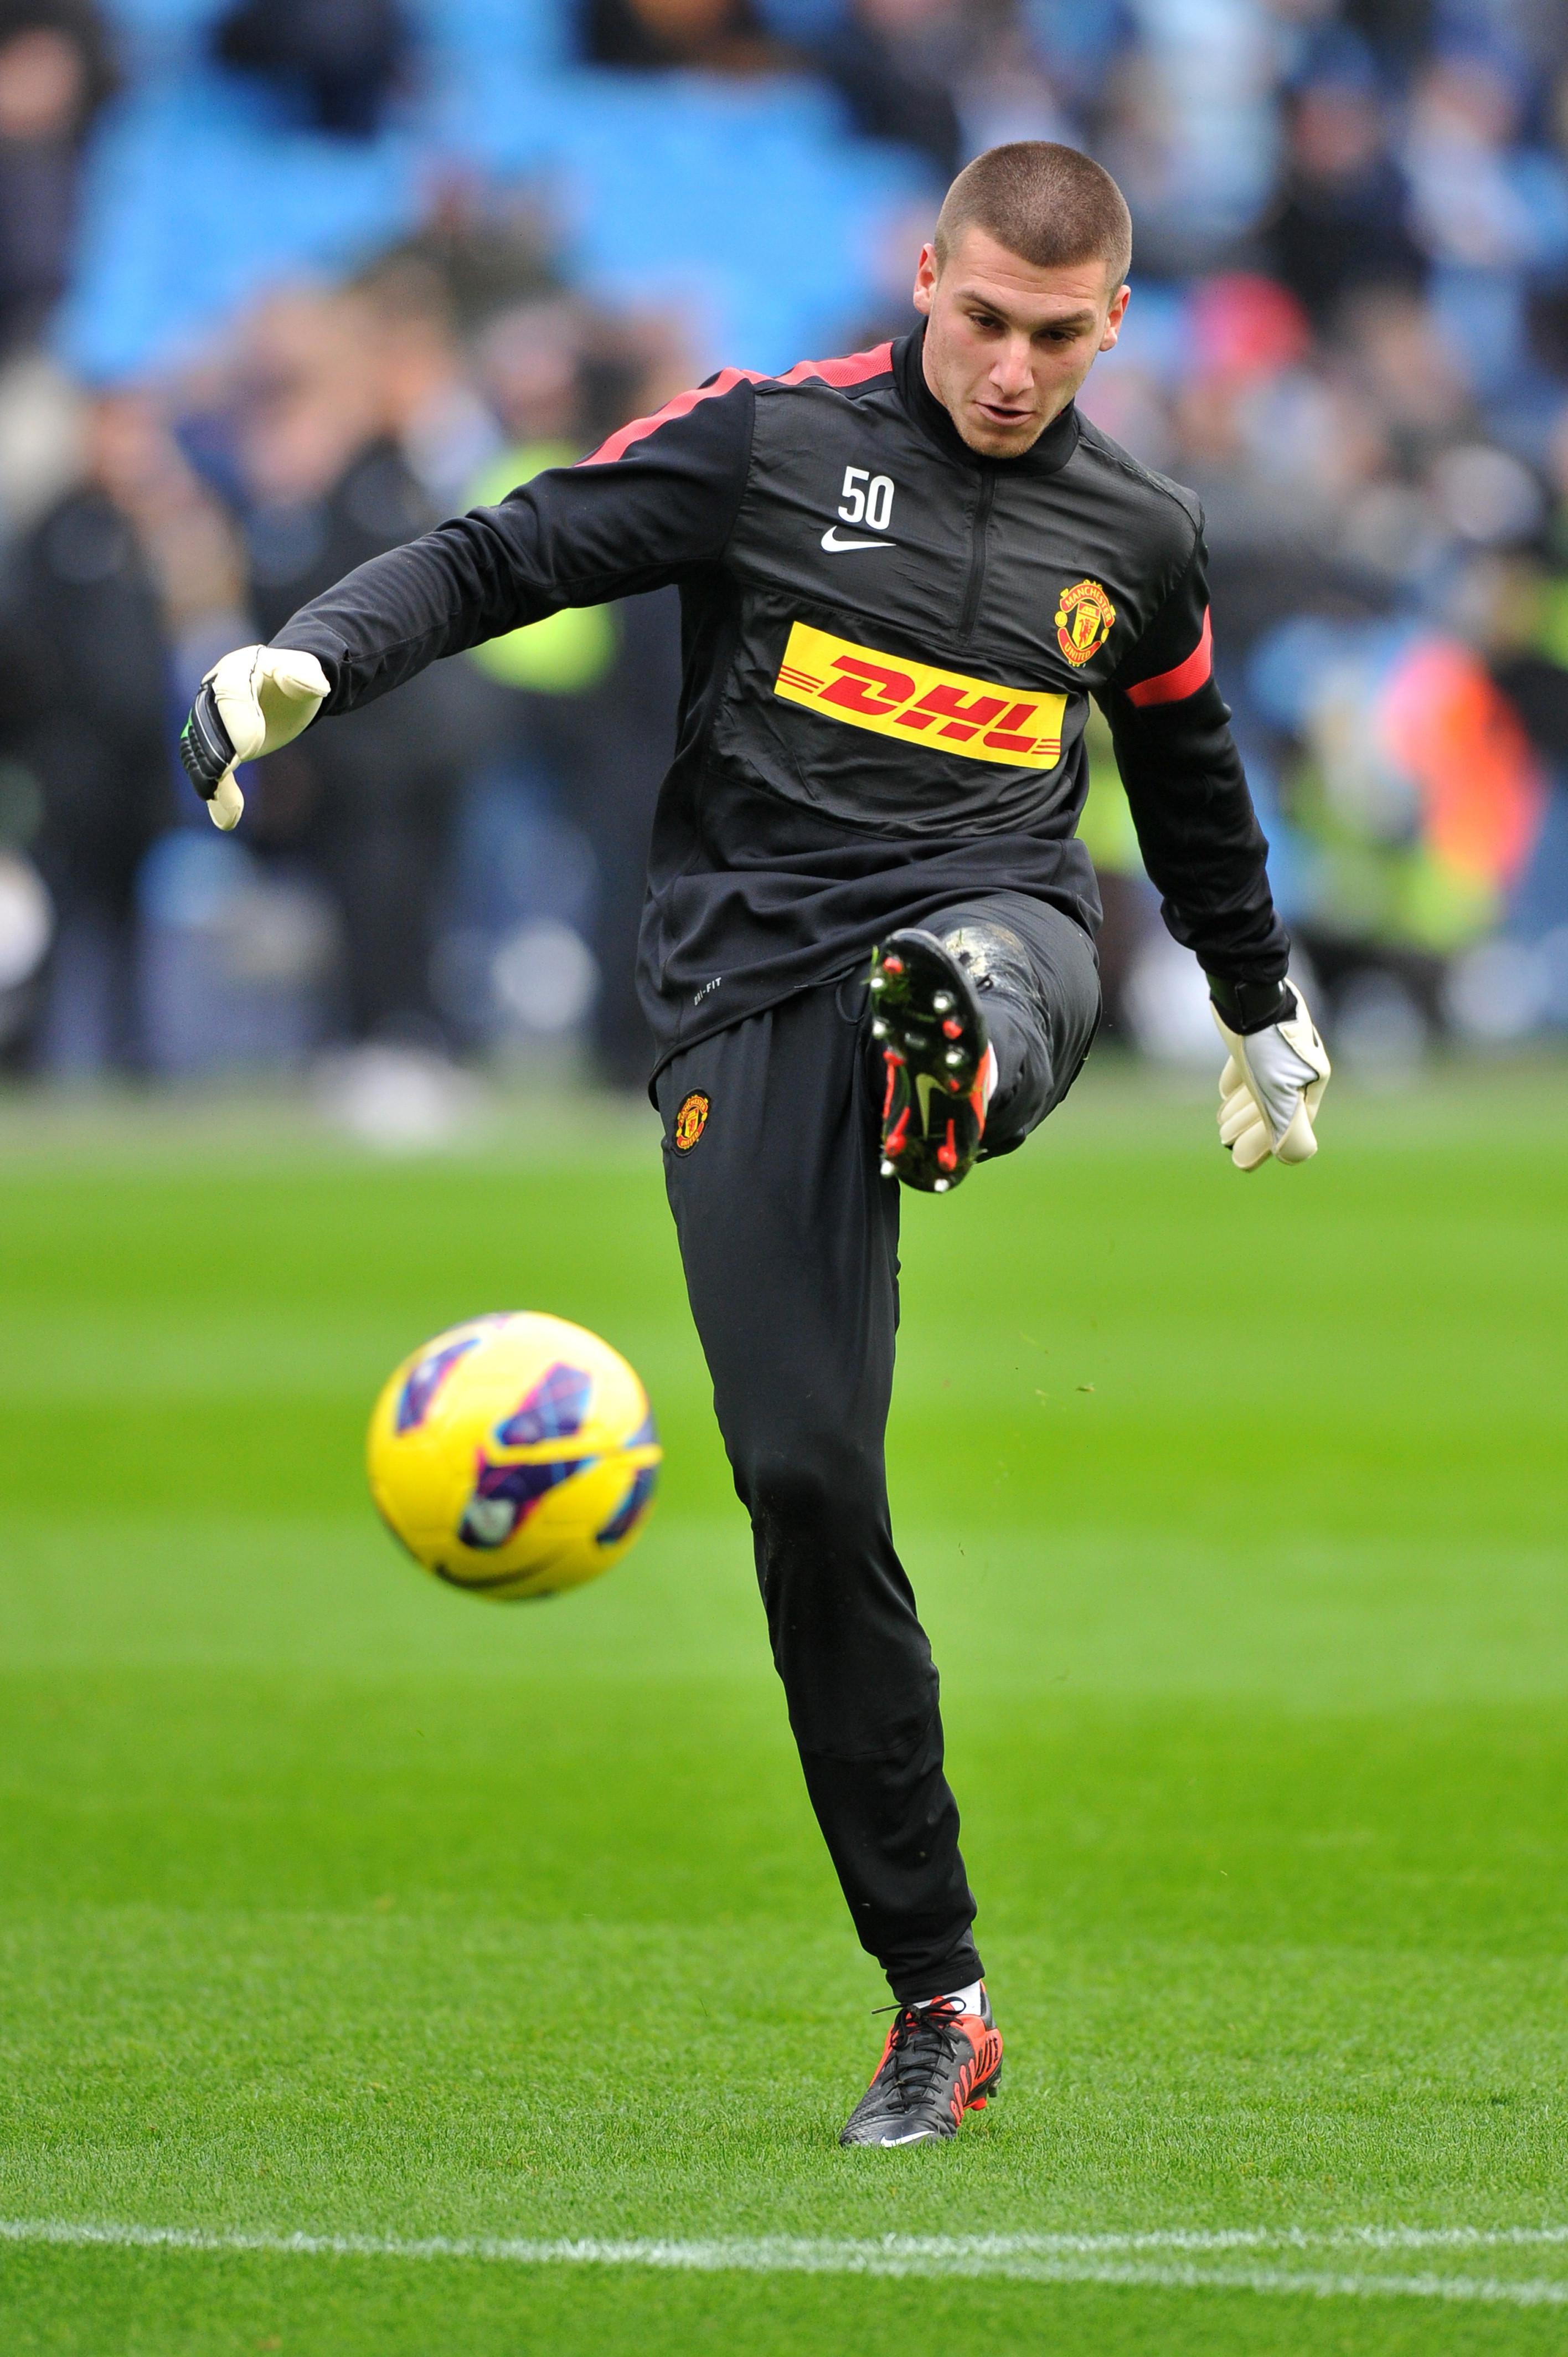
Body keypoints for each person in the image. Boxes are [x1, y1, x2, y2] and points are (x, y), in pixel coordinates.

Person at [177, 142, 1331, 2145]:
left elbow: (1191, 774)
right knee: (804, 1480)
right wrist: (318, 658)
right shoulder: (769, 448)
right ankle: (940, 2000)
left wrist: (1255, 996)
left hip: (1001, 920)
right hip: (749, 994)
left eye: (1056, 336)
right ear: (926, 277)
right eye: (982, 319)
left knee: (999, 958)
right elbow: (508, 551)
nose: (1009, 367)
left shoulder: (1137, 534)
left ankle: (962, 1045)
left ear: (1113, 325)